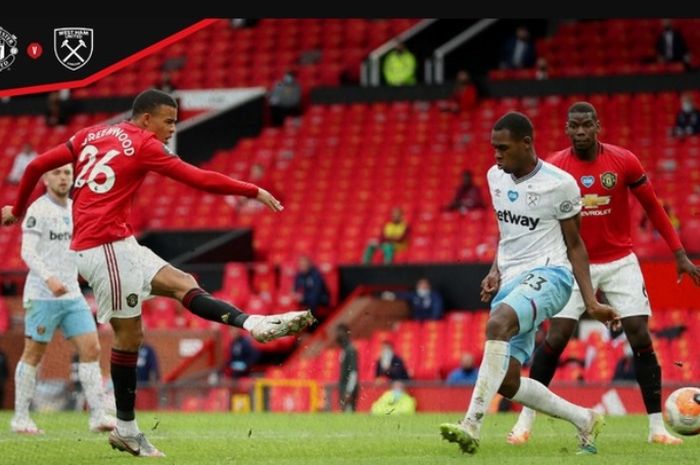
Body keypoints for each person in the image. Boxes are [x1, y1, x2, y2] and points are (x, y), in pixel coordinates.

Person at [1, 89, 315, 457]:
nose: (172, 129)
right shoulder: (144, 145)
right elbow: (197, 178)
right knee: (129, 336)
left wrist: (17, 209)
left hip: (119, 243)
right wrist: (252, 189)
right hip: (103, 249)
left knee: (183, 283)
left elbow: (37, 164)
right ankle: (126, 428)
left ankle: (253, 324)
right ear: (146, 118)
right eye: (169, 121)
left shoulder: (91, 134)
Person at [507, 102, 700, 447]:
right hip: (572, 264)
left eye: (586, 125)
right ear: (567, 130)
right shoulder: (554, 167)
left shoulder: (624, 161)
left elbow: (653, 206)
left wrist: (680, 254)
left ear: (598, 126)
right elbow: (535, 218)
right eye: (574, 126)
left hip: (620, 260)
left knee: (640, 336)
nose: (580, 132)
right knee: (556, 338)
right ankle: (525, 420)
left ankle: (657, 427)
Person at [439, 112, 619, 456]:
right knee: (507, 382)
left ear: (526, 144)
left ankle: (471, 425)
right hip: (511, 280)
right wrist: (495, 269)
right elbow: (508, 232)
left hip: (551, 276)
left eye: (503, 148)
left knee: (497, 323)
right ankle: (584, 419)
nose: (496, 155)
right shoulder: (495, 177)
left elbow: (575, 244)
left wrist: (591, 301)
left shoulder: (560, 184)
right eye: (493, 148)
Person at [11, 164, 115, 435]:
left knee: (91, 348)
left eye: (67, 173)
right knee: (33, 355)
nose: (63, 178)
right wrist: (48, 278)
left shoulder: (77, 209)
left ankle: (97, 415)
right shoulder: (38, 210)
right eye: (56, 173)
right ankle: (21, 417)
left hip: (72, 295)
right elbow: (28, 252)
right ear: (45, 178)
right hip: (42, 295)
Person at [293, 255, 330, 321]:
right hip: (308, 298)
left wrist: (303, 298)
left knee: (312, 303)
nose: (302, 267)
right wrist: (295, 294)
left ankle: (312, 326)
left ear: (309, 264)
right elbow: (295, 287)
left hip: (320, 299)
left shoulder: (316, 275)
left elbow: (316, 293)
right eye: (301, 265)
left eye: (304, 265)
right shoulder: (300, 274)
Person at [335, 323, 359, 412]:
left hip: (348, 388)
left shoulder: (351, 350)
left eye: (339, 332)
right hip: (344, 387)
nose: (337, 335)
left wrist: (349, 390)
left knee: (349, 414)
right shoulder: (344, 350)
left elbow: (353, 372)